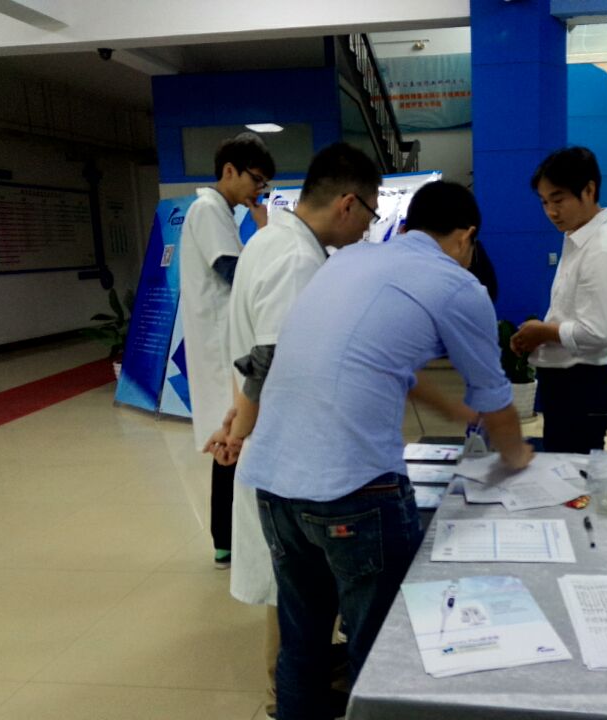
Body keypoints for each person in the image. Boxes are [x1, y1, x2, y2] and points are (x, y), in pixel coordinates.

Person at [233, 181, 533, 720]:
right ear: (467, 236)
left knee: (303, 645)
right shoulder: (457, 284)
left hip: (275, 485)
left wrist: (454, 412)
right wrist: (519, 460)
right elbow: (496, 400)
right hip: (354, 492)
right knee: (380, 650)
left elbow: (383, 365)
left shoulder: (351, 261)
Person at [202, 142, 383, 720]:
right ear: (348, 204)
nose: (368, 227)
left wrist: (236, 417)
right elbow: (270, 355)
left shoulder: (272, 239)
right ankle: (285, 701)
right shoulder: (297, 258)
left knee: (294, 593)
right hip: (286, 453)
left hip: (278, 446)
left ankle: (292, 694)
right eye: (371, 213)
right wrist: (240, 427)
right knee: (294, 599)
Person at [179, 131, 275, 567]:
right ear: (229, 171)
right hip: (222, 346)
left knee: (232, 439)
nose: (259, 190)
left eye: (265, 183)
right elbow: (234, 273)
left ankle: (228, 539)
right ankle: (227, 540)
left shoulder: (220, 213)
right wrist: (268, 239)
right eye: (256, 179)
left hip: (227, 341)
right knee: (232, 439)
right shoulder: (207, 210)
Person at [511, 146, 607, 454]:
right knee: (565, 471)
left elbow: (597, 333)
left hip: (582, 389)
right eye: (544, 202)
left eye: (558, 200)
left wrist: (543, 331)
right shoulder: (579, 239)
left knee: (574, 477)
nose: (551, 211)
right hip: (568, 387)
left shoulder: (603, 251)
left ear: (589, 190)